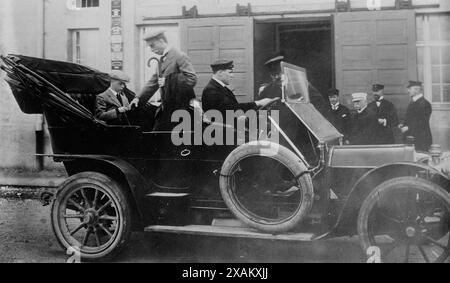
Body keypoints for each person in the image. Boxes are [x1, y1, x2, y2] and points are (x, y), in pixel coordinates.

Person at [130, 30, 199, 130]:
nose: (151, 50)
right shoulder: (162, 59)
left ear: (161, 41)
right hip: (167, 109)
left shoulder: (179, 56)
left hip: (180, 109)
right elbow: (153, 82)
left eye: (152, 45)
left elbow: (191, 79)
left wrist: (168, 81)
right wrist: (138, 98)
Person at [258, 55, 331, 119]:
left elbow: (320, 105)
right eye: (273, 75)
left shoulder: (302, 85)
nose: (277, 77)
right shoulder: (266, 91)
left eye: (278, 73)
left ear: (284, 71)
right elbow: (262, 114)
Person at [202, 60, 274, 118]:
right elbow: (231, 110)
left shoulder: (219, 87)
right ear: (220, 73)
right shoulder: (211, 91)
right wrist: (258, 103)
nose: (232, 76)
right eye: (230, 72)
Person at [399, 81, 432, 152]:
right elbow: (411, 119)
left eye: (410, 89)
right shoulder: (413, 102)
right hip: (412, 137)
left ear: (417, 90)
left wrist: (408, 127)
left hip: (421, 139)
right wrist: (404, 125)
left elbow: (422, 122)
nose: (408, 91)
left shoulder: (424, 104)